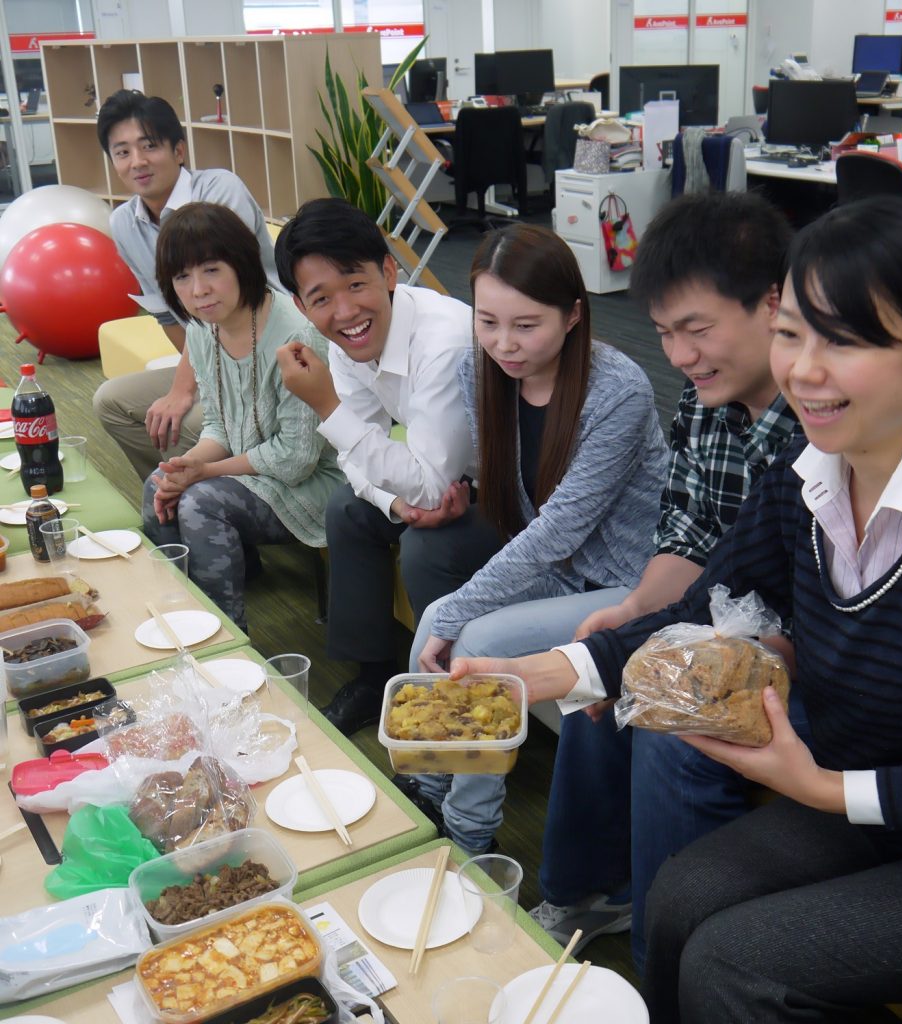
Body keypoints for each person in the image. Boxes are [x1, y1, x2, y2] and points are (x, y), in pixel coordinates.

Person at [455, 196, 902, 1022]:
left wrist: (826, 792)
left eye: (845, 340)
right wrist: (546, 672)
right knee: (683, 896)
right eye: (793, 333)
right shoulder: (811, 478)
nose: (804, 369)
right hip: (862, 795)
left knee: (734, 965)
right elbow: (702, 605)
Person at [529, 191, 799, 966]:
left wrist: (670, 650)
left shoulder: (824, 412)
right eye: (663, 333)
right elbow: (686, 532)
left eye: (697, 329)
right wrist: (637, 611)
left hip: (803, 642)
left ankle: (666, 958)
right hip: (724, 616)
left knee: (667, 720)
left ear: (773, 303)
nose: (680, 355)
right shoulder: (708, 398)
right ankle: (584, 892)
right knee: (603, 663)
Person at [403, 223, 668, 854]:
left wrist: (466, 602)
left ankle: (469, 835)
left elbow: (560, 527)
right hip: (561, 567)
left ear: (574, 314)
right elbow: (522, 510)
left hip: (628, 580)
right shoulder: (482, 370)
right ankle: (431, 789)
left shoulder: (618, 389)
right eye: (488, 322)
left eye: (526, 325)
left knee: (474, 633)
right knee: (442, 619)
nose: (504, 344)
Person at [274, 197, 495, 734]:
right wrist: (391, 501)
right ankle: (374, 676)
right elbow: (364, 455)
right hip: (442, 477)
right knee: (349, 508)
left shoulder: (442, 343)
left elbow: (429, 480)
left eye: (356, 284)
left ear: (390, 271)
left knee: (426, 547)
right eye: (321, 297)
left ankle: (456, 696)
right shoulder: (348, 344)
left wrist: (326, 405)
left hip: (513, 488)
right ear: (303, 308)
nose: (345, 311)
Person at [142, 202, 341, 631]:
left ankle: (225, 640)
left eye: (211, 269)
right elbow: (220, 424)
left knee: (199, 502)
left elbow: (296, 459)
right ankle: (185, 620)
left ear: (242, 263)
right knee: (159, 485)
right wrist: (187, 465)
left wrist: (205, 472)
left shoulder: (296, 336)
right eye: (182, 277)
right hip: (254, 475)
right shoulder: (200, 330)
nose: (198, 290)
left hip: (316, 486)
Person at [93, 90, 280, 481]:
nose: (138, 162)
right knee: (111, 402)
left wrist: (183, 390)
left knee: (192, 420)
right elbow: (170, 315)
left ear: (179, 150)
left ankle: (232, 494)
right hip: (214, 359)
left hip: (269, 352)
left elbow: (233, 303)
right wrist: (204, 382)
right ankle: (174, 493)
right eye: (122, 152)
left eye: (149, 146)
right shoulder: (124, 223)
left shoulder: (218, 191)